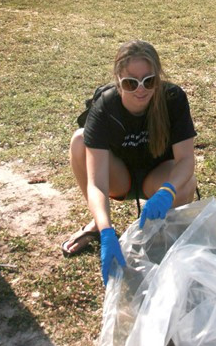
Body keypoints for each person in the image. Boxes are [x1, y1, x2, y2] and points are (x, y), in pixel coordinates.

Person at [62, 40, 198, 285]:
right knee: (79, 141)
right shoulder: (105, 106)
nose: (141, 89)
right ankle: (97, 223)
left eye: (149, 81)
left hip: (157, 179)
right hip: (120, 178)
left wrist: (167, 191)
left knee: (186, 183)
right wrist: (106, 232)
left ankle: (161, 231)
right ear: (118, 80)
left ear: (158, 78)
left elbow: (187, 160)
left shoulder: (173, 99)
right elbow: (97, 184)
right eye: (130, 83)